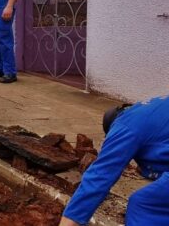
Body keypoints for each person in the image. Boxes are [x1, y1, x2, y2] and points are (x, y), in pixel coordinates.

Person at [60, 96, 169, 225]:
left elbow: (100, 176)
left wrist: (68, 221)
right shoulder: (146, 109)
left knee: (143, 205)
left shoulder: (124, 127)